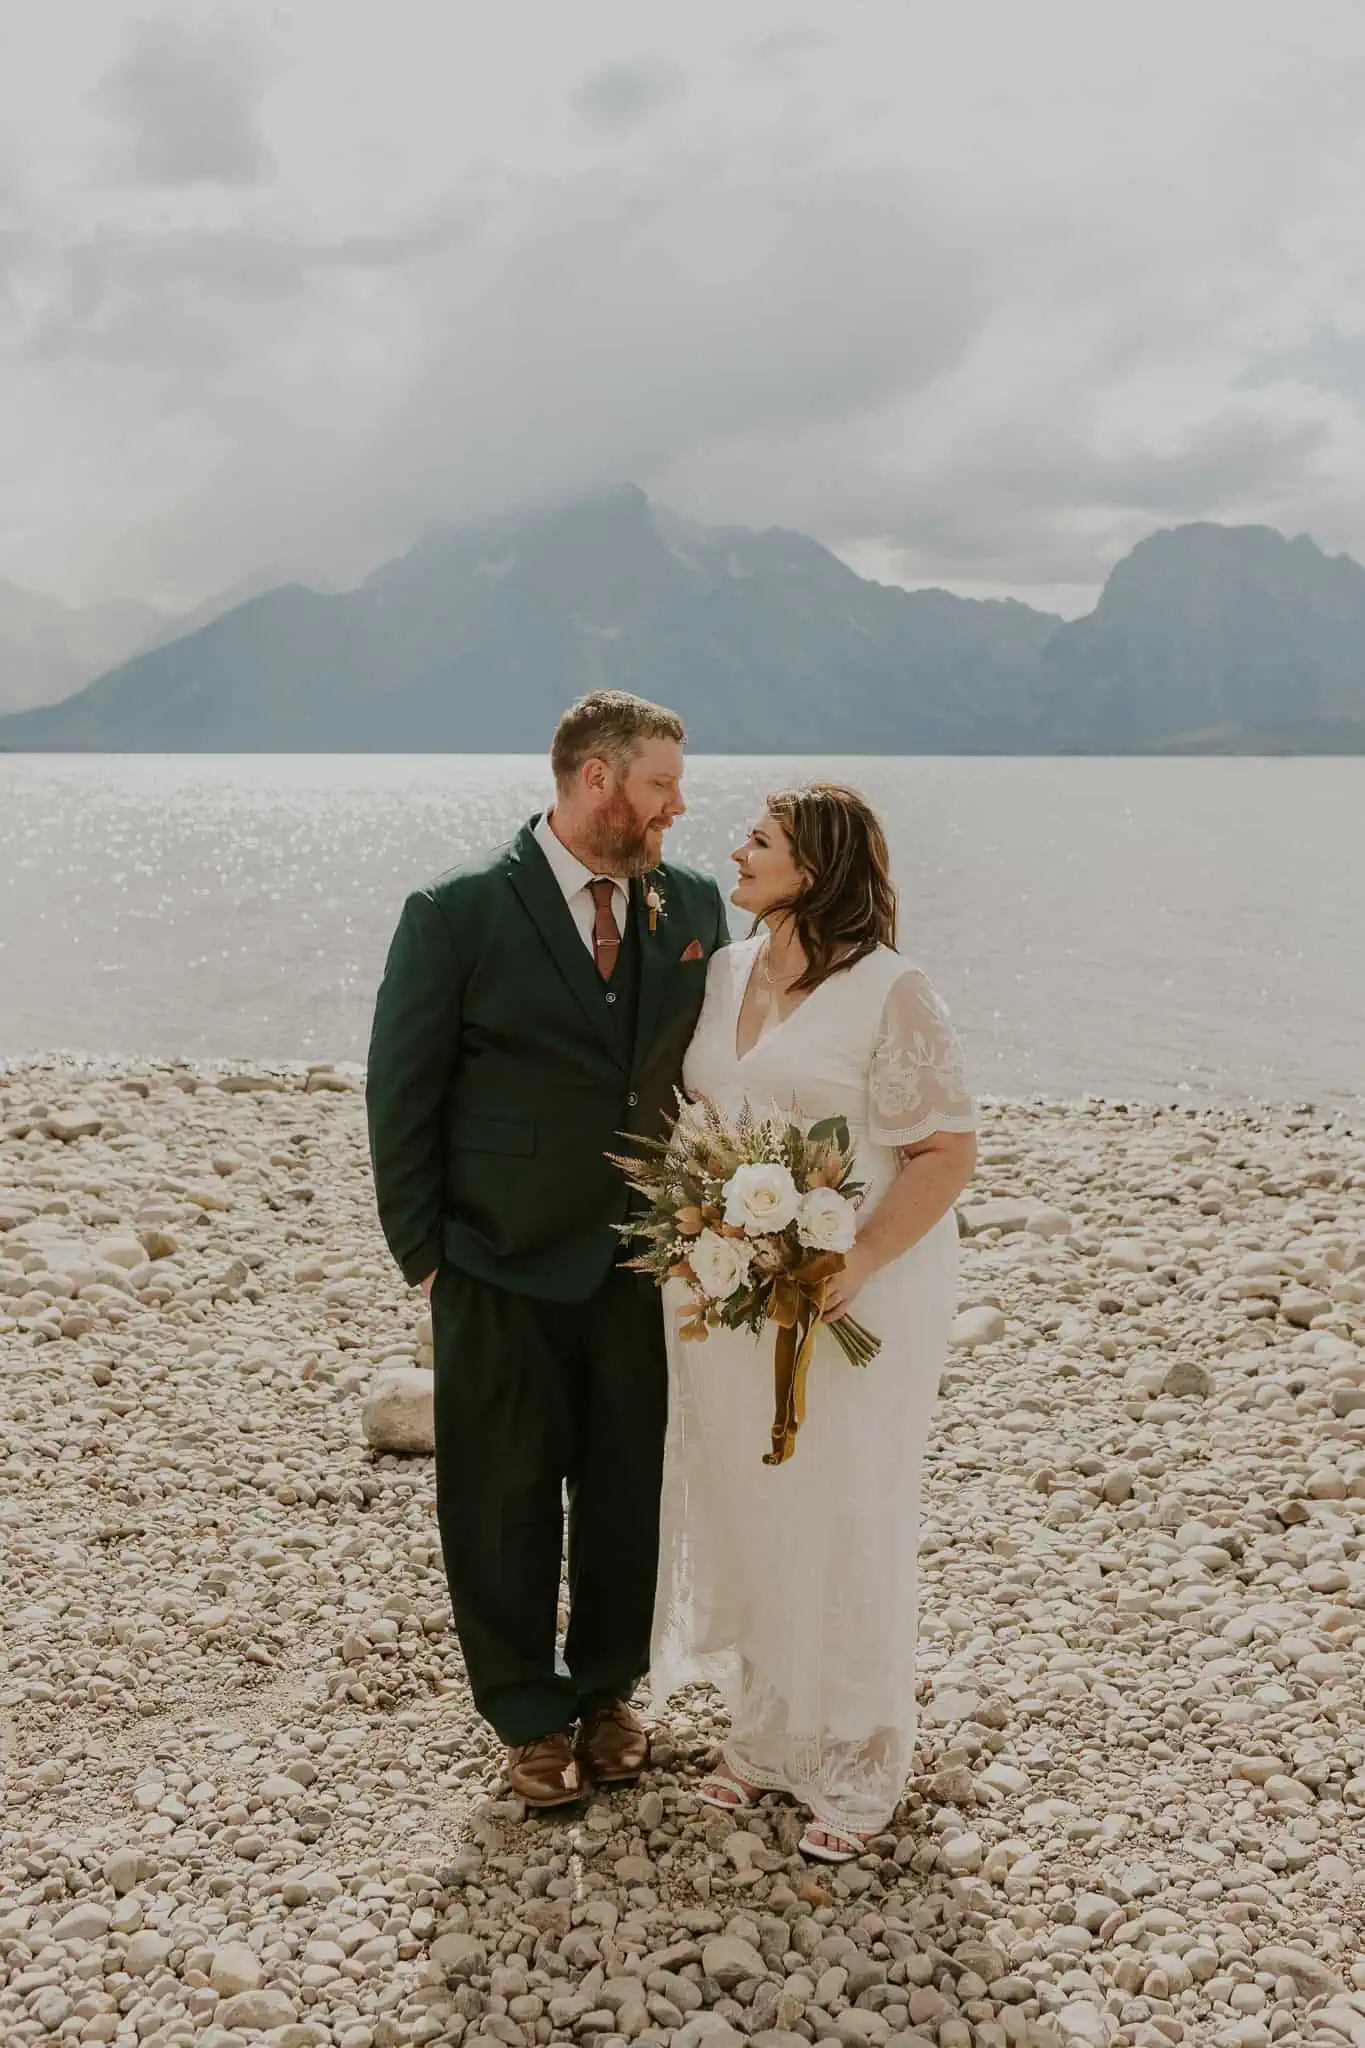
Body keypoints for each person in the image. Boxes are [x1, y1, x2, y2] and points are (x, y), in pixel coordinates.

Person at [365, 691, 729, 1807]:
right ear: (597, 780)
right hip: (495, 1259)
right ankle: (526, 1713)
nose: (680, 803)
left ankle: (611, 1691)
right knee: (502, 1494)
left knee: (625, 1488)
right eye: (663, 782)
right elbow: (402, 1089)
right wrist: (428, 1256)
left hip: (637, 1260)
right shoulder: (458, 908)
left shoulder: (696, 904)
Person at [649, 782, 977, 1861]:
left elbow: (946, 1151)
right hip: (728, 1288)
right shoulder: (729, 967)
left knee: (845, 1500)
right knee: (749, 1493)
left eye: (763, 839)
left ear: (819, 866)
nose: (736, 849)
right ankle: (771, 1730)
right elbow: (708, 1118)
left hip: (853, 1289)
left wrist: (860, 1253)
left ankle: (858, 1749)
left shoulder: (893, 988)